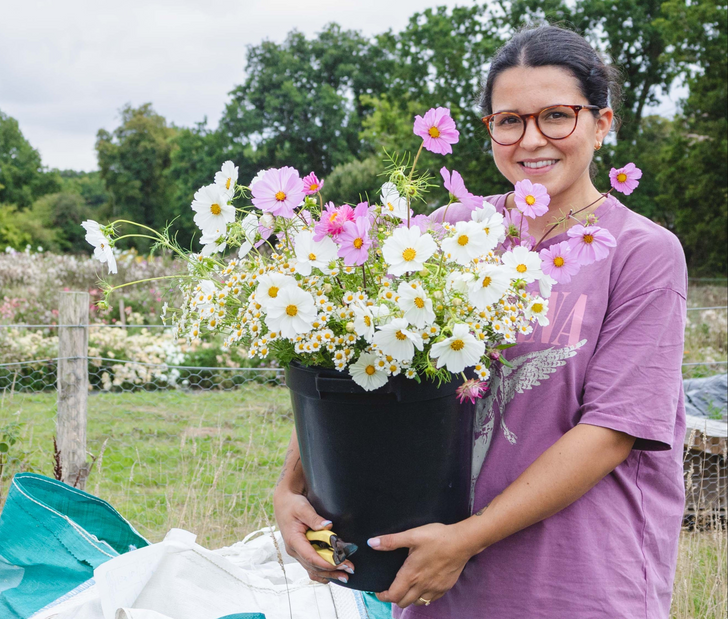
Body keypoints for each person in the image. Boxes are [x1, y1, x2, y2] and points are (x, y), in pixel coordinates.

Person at [273, 24, 687, 618]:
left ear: (602, 124)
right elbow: (357, 360)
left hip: (578, 584)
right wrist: (291, 489)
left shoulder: (640, 252)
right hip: (436, 581)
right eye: (509, 120)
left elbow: (611, 434)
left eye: (557, 116)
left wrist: (466, 540)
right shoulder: (447, 233)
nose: (531, 139)